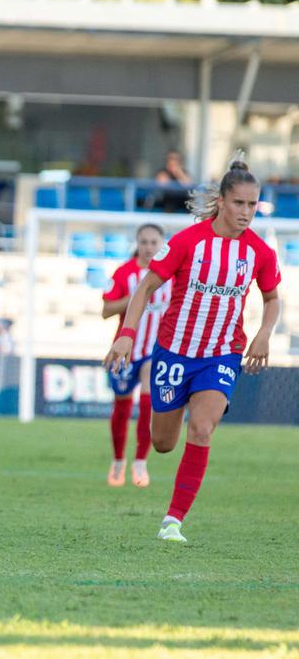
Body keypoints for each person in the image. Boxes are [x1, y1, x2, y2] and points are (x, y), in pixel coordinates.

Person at [105, 156, 281, 543]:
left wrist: (265, 333)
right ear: (221, 201)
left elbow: (271, 298)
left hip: (221, 354)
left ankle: (173, 521)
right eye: (239, 203)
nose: (246, 212)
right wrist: (128, 334)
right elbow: (146, 287)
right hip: (174, 353)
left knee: (202, 429)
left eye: (253, 205)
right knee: (164, 444)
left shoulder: (259, 253)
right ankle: (164, 431)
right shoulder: (189, 241)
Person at [101, 224, 171, 488]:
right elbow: (106, 310)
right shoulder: (125, 273)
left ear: (162, 244)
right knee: (121, 406)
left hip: (155, 351)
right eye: (144, 242)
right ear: (138, 243)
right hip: (126, 350)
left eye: (154, 242)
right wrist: (136, 298)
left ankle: (140, 462)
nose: (149, 247)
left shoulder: (171, 275)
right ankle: (118, 460)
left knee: (148, 403)